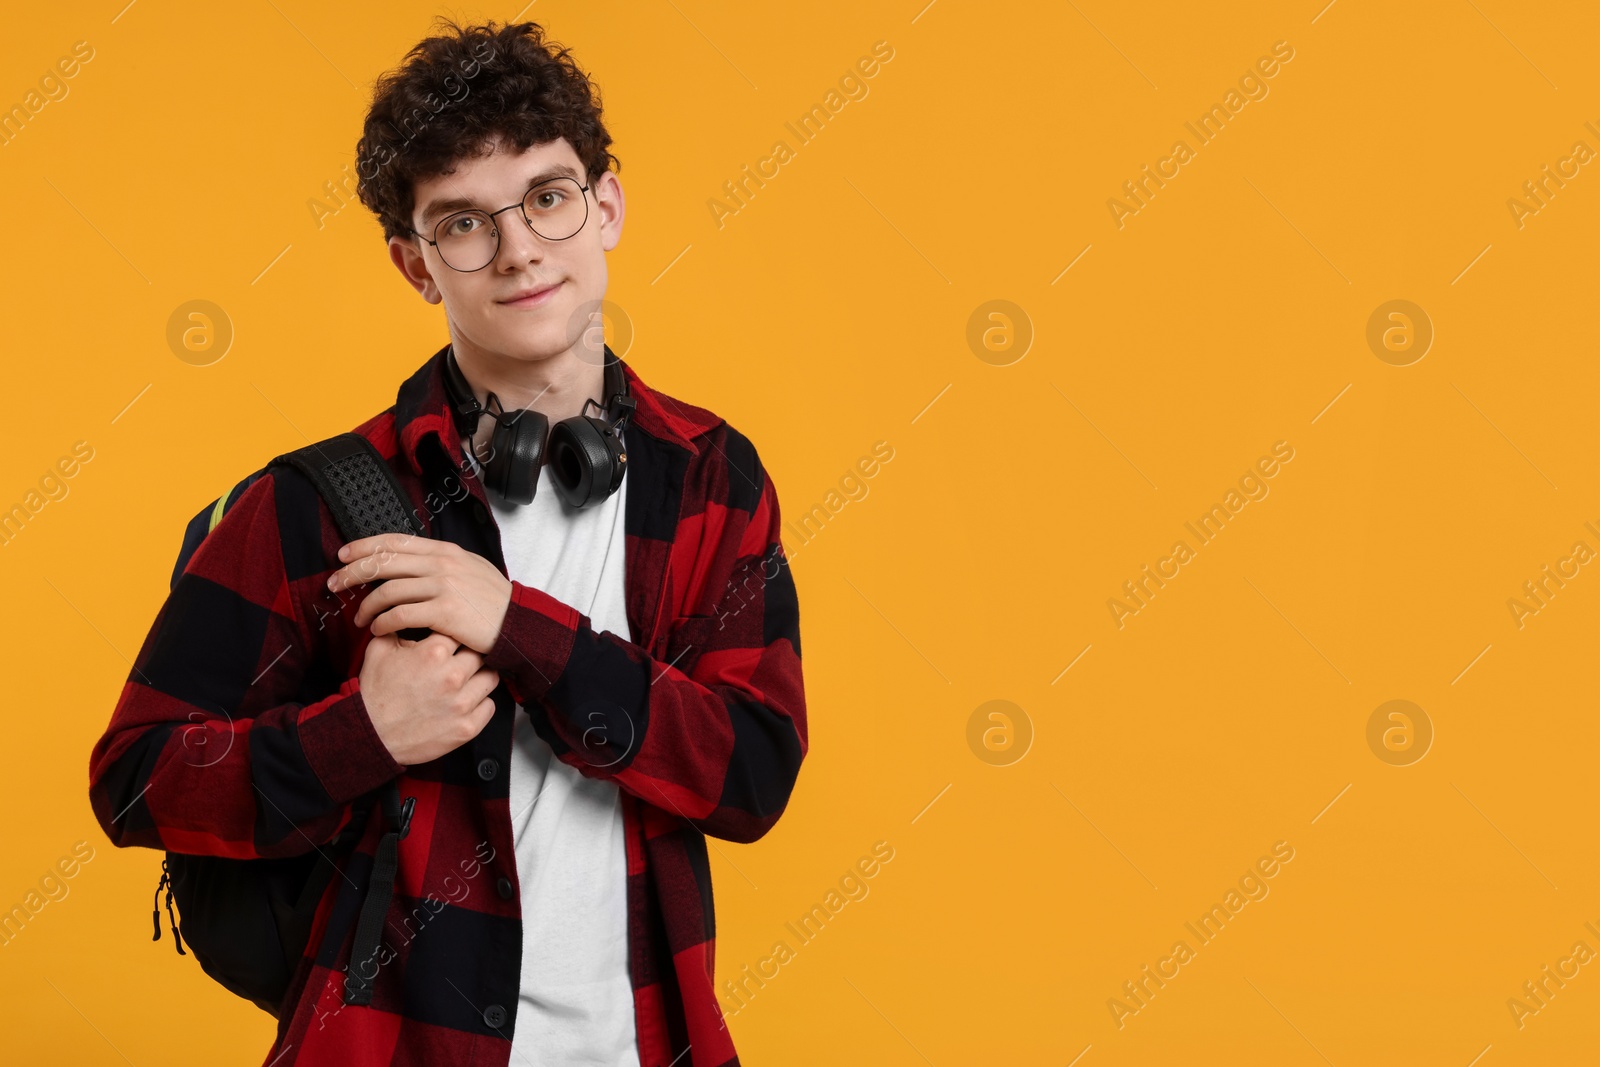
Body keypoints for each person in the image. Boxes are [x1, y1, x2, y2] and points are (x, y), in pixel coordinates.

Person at [87, 18, 807, 1067]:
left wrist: (520, 628)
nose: (518, 250)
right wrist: (360, 733)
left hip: (650, 1044)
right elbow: (137, 778)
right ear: (414, 264)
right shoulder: (311, 504)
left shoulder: (708, 475)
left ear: (604, 207)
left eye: (548, 198)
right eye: (462, 223)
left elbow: (749, 777)